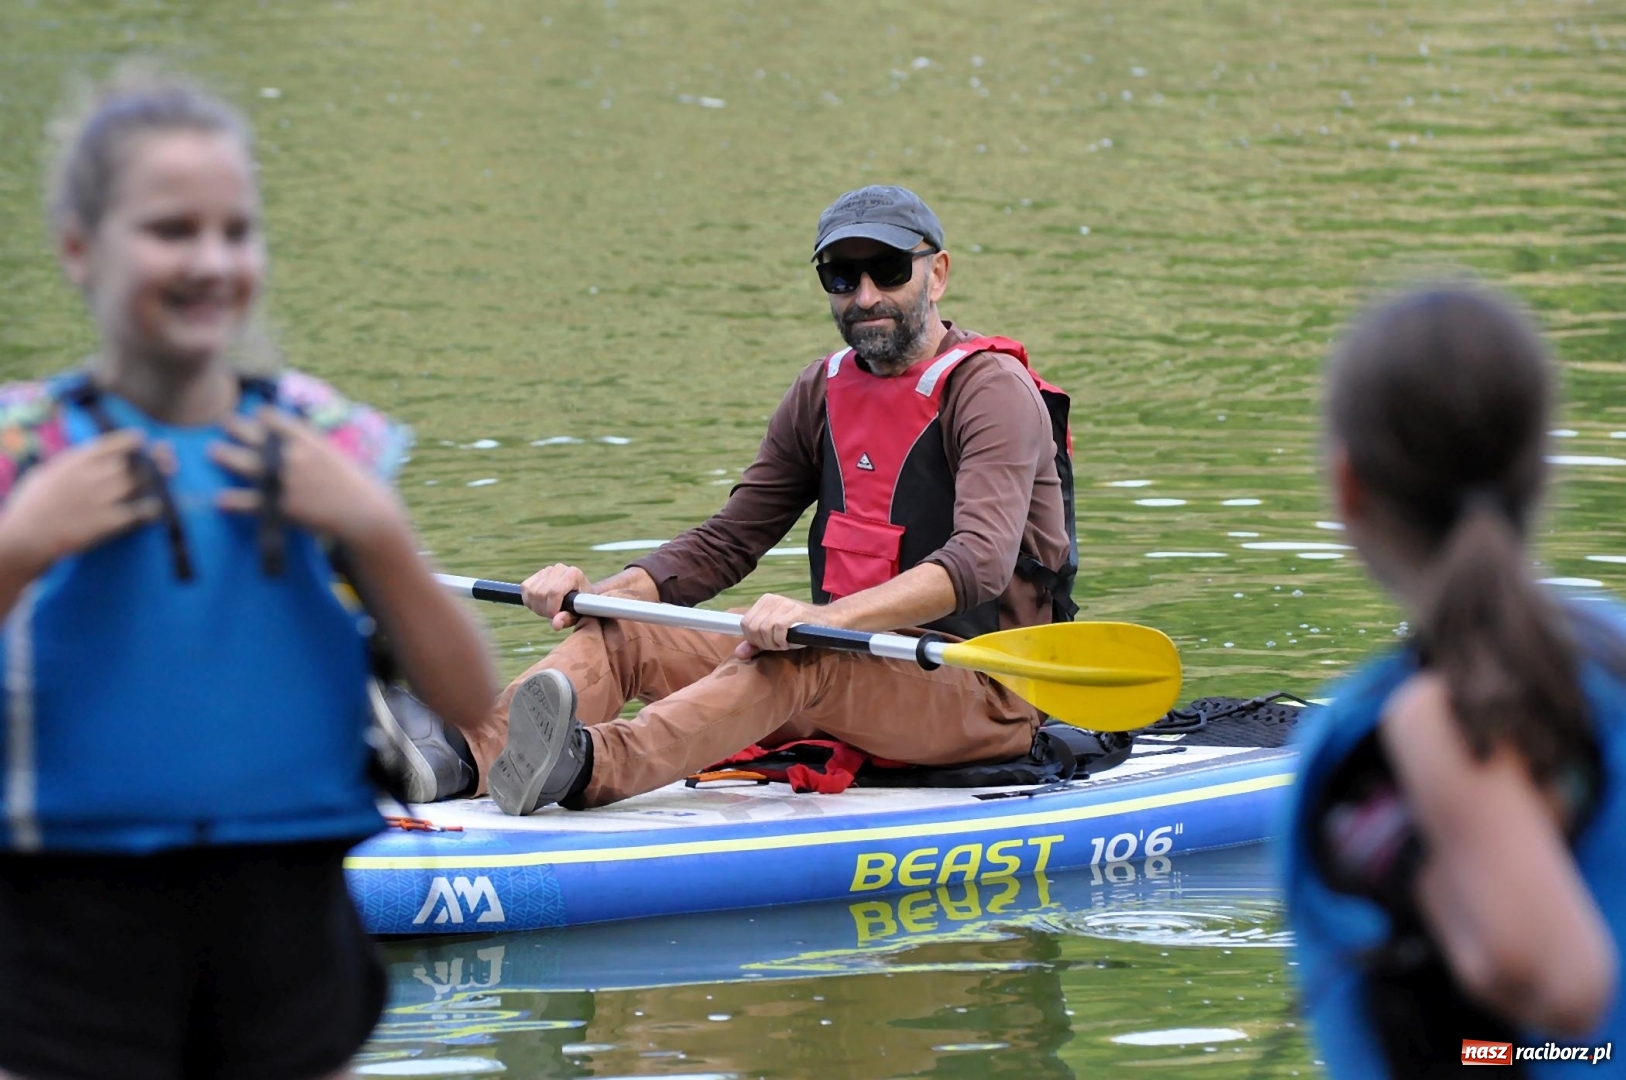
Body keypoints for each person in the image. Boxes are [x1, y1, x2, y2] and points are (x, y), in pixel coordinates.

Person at [0, 74, 498, 1080]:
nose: (211, 261)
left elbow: (471, 698)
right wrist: (20, 547)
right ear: (80, 248)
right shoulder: (24, 449)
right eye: (172, 230)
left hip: (286, 935)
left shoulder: (326, 442)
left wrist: (376, 527)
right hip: (67, 938)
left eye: (236, 231)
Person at [413, 184, 1077, 813]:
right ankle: (462, 758)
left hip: (983, 692)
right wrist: (593, 599)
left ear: (936, 275)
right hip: (854, 665)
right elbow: (725, 543)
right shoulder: (822, 389)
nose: (865, 295)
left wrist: (832, 621)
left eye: (888, 270)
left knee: (801, 655)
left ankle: (587, 766)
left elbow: (980, 562)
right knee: (626, 632)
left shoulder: (990, 389)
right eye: (842, 278)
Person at [1281, 285, 1626, 1077]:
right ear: (1540, 468)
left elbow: (1564, 995)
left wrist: (1425, 879)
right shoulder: (1608, 647)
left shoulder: (1411, 722)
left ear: (1347, 489)